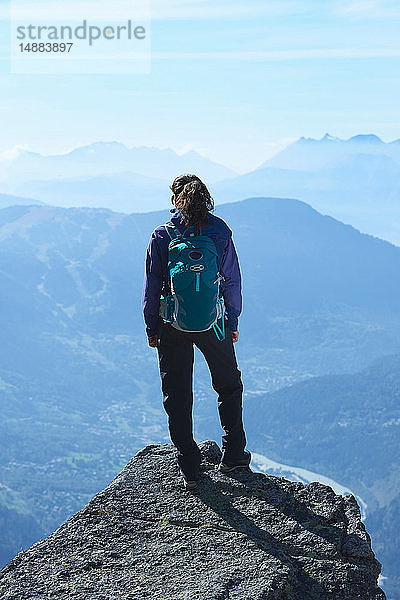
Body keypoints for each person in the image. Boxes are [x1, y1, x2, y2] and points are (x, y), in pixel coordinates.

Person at [142, 174, 250, 489]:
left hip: (171, 324)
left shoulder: (162, 235)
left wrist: (152, 325)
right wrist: (232, 320)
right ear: (206, 199)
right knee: (229, 386)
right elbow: (231, 280)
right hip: (213, 323)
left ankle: (190, 464)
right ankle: (233, 454)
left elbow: (152, 286)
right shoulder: (219, 231)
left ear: (175, 199)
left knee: (176, 393)